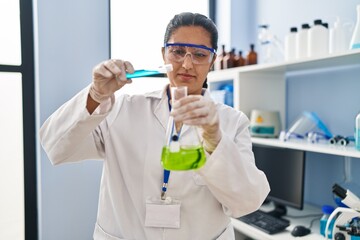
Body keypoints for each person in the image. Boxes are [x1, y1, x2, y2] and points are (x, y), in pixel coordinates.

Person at [40, 12, 270, 240]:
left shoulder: (232, 122)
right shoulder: (123, 110)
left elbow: (247, 202)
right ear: (163, 54)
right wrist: (95, 95)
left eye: (200, 54)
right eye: (178, 51)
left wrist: (214, 138)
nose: (187, 64)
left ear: (211, 61)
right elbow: (56, 147)